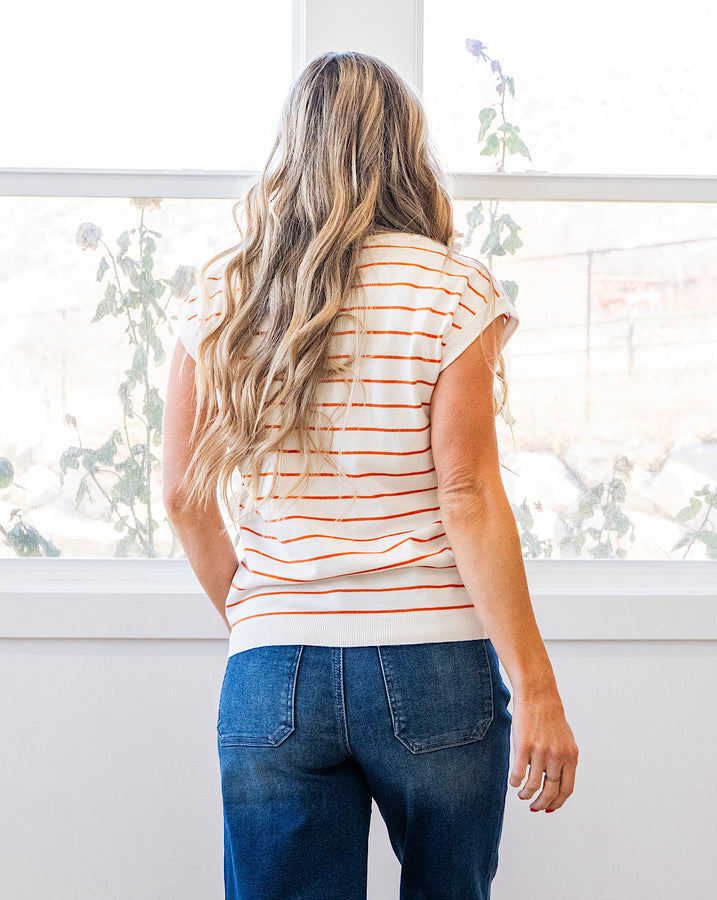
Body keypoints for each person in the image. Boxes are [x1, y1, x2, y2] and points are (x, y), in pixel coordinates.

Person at [162, 50, 578, 900]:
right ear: (405, 149)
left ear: (294, 150)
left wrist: (259, 611)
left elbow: (181, 495)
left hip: (273, 667)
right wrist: (537, 687)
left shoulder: (226, 290)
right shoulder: (451, 290)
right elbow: (465, 493)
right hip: (433, 663)